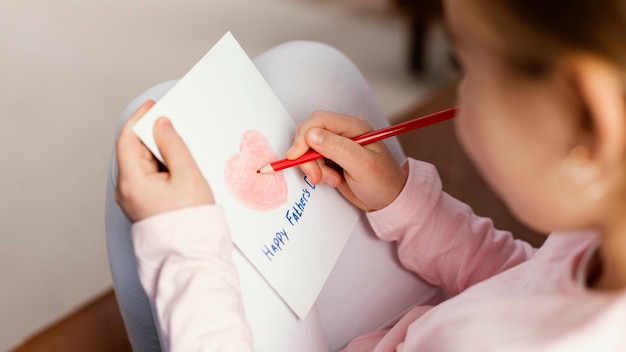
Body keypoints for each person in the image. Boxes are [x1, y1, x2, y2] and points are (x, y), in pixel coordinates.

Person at [111, 0, 626, 350]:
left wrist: (185, 251)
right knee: (308, 68)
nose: (462, 95)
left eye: (467, 66)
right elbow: (528, 284)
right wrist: (405, 203)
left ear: (590, 120)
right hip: (429, 324)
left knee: (152, 127)